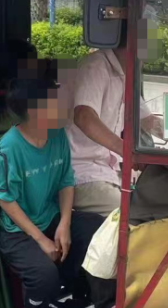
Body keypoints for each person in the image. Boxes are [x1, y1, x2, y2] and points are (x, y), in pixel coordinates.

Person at [0, 77, 104, 308]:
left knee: (99, 230)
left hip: (51, 217)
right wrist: (41, 240)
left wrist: (65, 223)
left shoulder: (57, 135)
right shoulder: (10, 147)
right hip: (18, 230)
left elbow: (66, 180)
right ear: (33, 110)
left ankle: (80, 293)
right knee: (44, 275)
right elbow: (5, 199)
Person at [65, 46, 159, 217]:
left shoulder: (125, 76)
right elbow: (84, 116)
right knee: (132, 216)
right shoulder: (96, 66)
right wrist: (128, 151)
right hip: (81, 173)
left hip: (109, 169)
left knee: (155, 199)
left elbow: (149, 121)